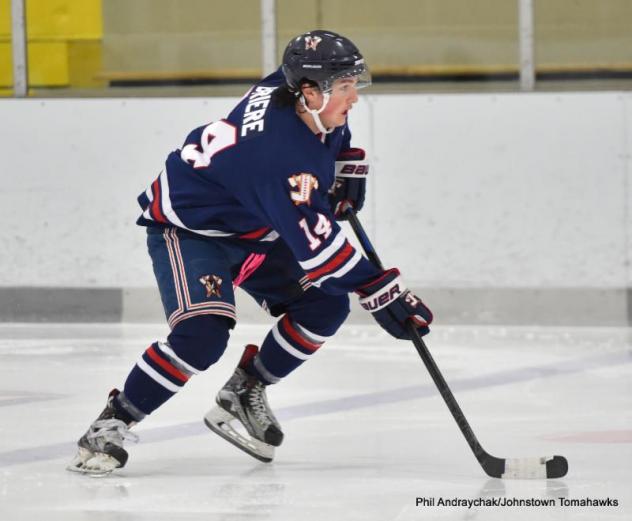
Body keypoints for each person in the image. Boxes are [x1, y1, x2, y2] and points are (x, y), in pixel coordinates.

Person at [67, 29, 433, 475]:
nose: (354, 98)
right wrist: (384, 293)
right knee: (202, 335)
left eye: (355, 84)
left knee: (324, 306)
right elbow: (324, 257)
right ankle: (111, 423)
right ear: (310, 92)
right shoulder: (278, 159)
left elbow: (323, 129)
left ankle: (245, 389)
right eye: (345, 88)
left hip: (253, 224)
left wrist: (345, 155)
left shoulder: (290, 85)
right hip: (192, 229)